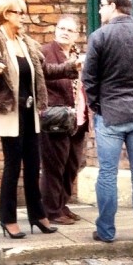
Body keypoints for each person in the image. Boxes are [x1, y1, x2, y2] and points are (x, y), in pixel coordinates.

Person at [0, 0, 58, 239]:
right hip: (9, 111)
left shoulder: (26, 42)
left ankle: (37, 215)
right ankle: (7, 219)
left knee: (33, 165)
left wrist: (71, 67)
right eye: (19, 12)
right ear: (6, 13)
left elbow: (44, 70)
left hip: (30, 112)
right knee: (12, 166)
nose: (23, 17)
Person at [81, 0, 133, 243]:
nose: (100, 10)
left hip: (110, 115)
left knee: (107, 174)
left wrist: (98, 106)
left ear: (114, 5)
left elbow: (89, 78)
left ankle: (105, 231)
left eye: (103, 5)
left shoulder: (99, 37)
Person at [39, 14, 88, 225]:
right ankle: (51, 210)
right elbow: (41, 75)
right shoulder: (45, 52)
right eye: (61, 28)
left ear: (77, 35)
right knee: (54, 166)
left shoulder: (79, 54)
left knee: (72, 165)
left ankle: (62, 204)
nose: (64, 32)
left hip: (78, 118)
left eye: (69, 30)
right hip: (56, 118)